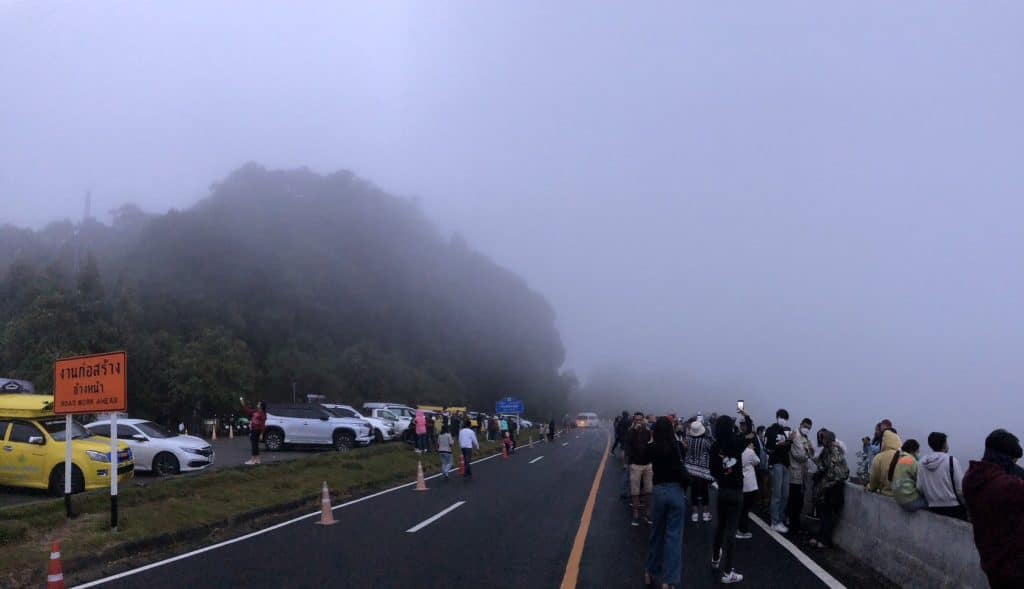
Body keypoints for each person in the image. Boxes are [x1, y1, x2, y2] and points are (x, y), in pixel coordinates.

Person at [963, 429, 1024, 589]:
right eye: (1013, 460)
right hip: (1016, 567)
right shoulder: (1010, 486)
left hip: (991, 562)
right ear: (1005, 458)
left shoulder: (970, 478)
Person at [644, 416, 689, 589]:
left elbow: (644, 456)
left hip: (658, 491)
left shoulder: (652, 448)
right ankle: (669, 581)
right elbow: (682, 461)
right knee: (674, 537)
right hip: (675, 491)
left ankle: (650, 571)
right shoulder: (677, 446)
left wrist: (651, 439)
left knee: (657, 534)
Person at [710, 412, 751, 584]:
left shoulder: (714, 447)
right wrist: (746, 415)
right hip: (736, 492)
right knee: (731, 532)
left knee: (720, 526)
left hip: (722, 491)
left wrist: (722, 477)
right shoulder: (737, 442)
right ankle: (727, 572)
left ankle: (715, 558)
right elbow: (750, 433)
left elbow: (712, 470)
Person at [809, 429, 848, 549]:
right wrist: (810, 454)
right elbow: (820, 463)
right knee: (823, 513)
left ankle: (825, 540)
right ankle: (820, 537)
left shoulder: (834, 451)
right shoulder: (826, 450)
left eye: (823, 438)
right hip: (827, 486)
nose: (821, 440)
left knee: (828, 515)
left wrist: (822, 485)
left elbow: (833, 473)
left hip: (833, 487)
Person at [917, 432, 967, 520]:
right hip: (953, 508)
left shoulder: (921, 462)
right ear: (944, 445)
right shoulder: (951, 460)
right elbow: (960, 489)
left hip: (932, 507)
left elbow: (919, 487)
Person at [764, 409, 794, 532]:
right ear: (777, 417)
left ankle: (780, 520)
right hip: (776, 463)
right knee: (776, 494)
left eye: (785, 418)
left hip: (786, 464)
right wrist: (782, 443)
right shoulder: (770, 430)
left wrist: (789, 441)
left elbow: (786, 448)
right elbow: (768, 447)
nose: (784, 420)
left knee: (785, 495)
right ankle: (774, 522)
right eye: (782, 417)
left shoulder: (785, 431)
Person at [787, 418, 814, 534]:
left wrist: (808, 453)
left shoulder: (805, 438)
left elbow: (812, 452)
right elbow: (799, 455)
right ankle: (793, 526)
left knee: (799, 502)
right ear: (801, 424)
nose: (806, 429)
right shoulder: (795, 435)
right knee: (795, 501)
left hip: (803, 474)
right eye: (805, 426)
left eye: (809, 428)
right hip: (795, 473)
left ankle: (795, 524)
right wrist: (808, 453)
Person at [684, 418, 714, 523]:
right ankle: (705, 514)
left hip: (690, 469)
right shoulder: (705, 441)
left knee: (694, 491)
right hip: (703, 470)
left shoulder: (688, 440)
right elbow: (712, 449)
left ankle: (695, 514)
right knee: (704, 491)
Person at [627, 412, 654, 527]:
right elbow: (628, 445)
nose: (638, 422)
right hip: (635, 464)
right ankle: (636, 514)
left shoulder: (648, 431)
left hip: (647, 464)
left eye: (640, 420)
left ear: (643, 420)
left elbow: (651, 444)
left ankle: (648, 513)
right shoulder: (630, 432)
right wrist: (631, 462)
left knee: (648, 490)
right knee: (635, 491)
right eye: (636, 420)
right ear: (634, 421)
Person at [892, 439, 927, 512]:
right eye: (917, 451)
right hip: (910, 500)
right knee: (932, 504)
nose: (918, 453)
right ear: (911, 450)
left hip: (899, 499)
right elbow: (920, 484)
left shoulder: (900, 460)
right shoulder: (912, 461)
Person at [737, 431, 760, 540]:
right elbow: (757, 461)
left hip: (739, 481)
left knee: (740, 507)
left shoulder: (736, 450)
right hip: (749, 484)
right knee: (745, 508)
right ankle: (742, 530)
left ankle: (736, 528)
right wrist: (752, 450)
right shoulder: (749, 451)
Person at [866, 429, 903, 496]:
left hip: (888, 496)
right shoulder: (906, 456)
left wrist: (869, 486)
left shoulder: (879, 458)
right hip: (906, 497)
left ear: (883, 441)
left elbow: (874, 482)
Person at [239, 398, 266, 465]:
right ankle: (257, 460)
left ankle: (253, 460)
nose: (257, 404)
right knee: (255, 445)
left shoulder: (262, 414)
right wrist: (243, 404)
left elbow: (263, 425)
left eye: (259, 404)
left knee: (254, 445)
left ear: (261, 406)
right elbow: (248, 411)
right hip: (253, 430)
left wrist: (262, 434)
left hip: (257, 430)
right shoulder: (255, 411)